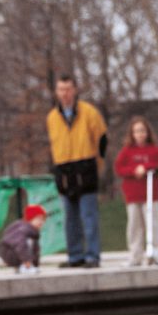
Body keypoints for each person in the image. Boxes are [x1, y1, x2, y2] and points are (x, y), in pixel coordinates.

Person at [46, 74, 108, 269]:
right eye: (61, 89)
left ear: (75, 90)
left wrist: (98, 163)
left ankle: (92, 255)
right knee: (69, 218)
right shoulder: (52, 118)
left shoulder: (89, 113)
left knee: (88, 215)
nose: (65, 94)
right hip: (64, 169)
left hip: (86, 166)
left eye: (68, 89)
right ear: (56, 92)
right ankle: (75, 255)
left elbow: (102, 139)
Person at [114, 116, 158, 266]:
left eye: (142, 131)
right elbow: (119, 168)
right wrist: (134, 170)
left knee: (153, 224)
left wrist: (146, 167)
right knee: (134, 226)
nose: (140, 134)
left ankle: (157, 253)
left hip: (151, 195)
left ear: (148, 132)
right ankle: (135, 255)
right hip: (133, 195)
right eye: (137, 131)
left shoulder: (155, 150)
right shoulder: (127, 151)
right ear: (132, 133)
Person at [0, 204, 47, 274]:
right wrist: (27, 261)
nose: (41, 222)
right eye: (39, 219)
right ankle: (25, 266)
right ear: (31, 218)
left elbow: (35, 250)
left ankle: (24, 266)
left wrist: (35, 265)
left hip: (13, 253)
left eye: (43, 219)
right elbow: (20, 245)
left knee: (32, 243)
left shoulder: (32, 231)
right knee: (27, 242)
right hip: (10, 254)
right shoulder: (24, 229)